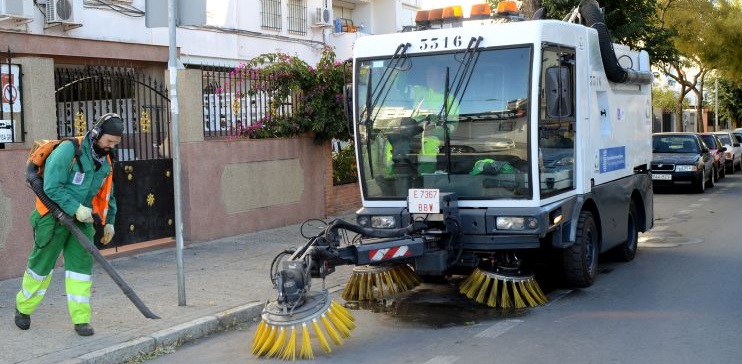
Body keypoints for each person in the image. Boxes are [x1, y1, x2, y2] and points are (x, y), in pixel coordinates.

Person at [14, 113, 123, 336]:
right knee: (40, 268)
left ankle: (81, 319)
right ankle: (23, 309)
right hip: (52, 219)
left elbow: (107, 192)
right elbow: (51, 187)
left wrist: (109, 221)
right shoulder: (69, 151)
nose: (111, 147)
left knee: (80, 272)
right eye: (108, 141)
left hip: (82, 223)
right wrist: (76, 208)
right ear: (96, 133)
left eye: (115, 143)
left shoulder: (105, 161)